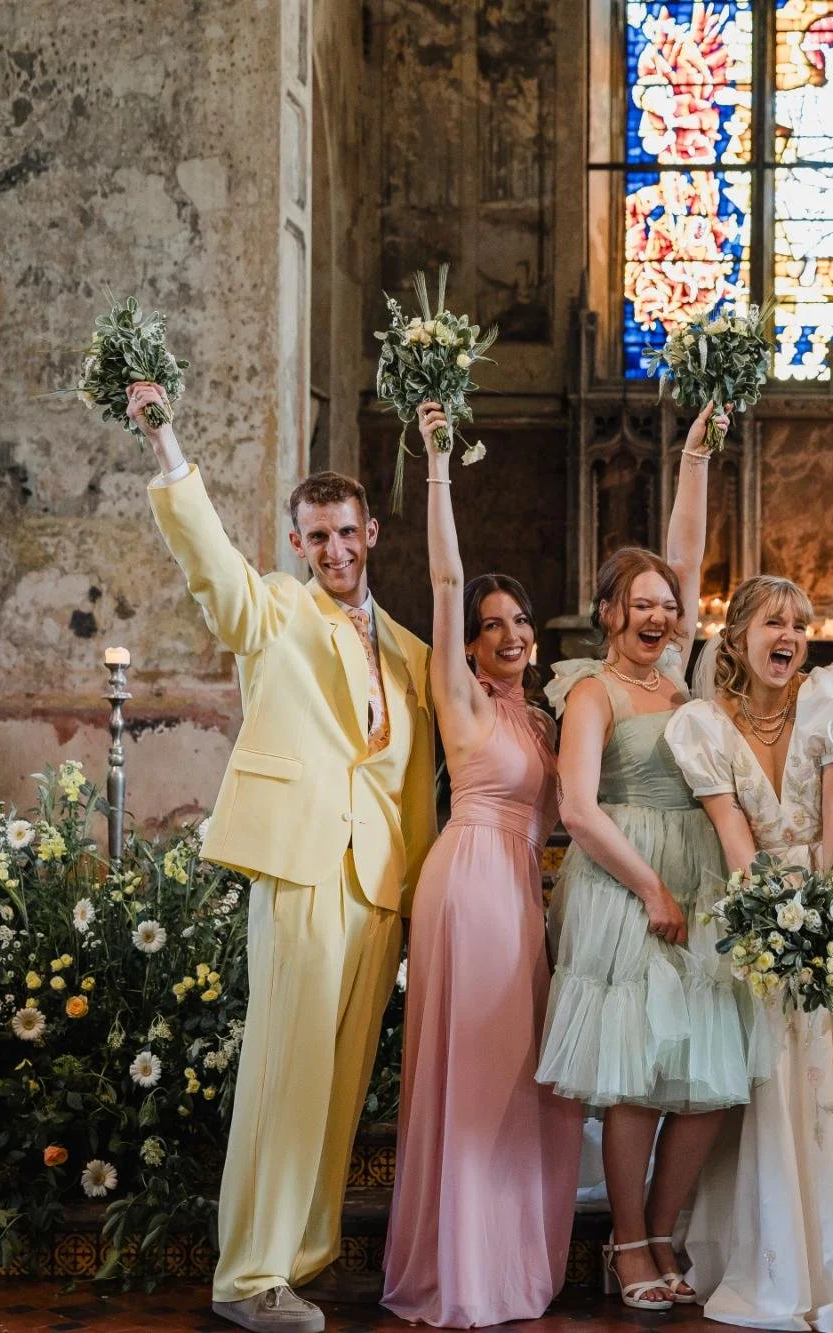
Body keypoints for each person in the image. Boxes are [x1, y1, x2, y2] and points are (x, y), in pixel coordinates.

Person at [129, 381, 438, 1333]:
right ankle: (247, 1273)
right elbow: (213, 570)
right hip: (303, 867)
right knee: (282, 1071)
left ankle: (296, 1261)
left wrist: (421, 895)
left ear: (372, 533)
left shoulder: (416, 654)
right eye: (316, 538)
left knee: (339, 1083)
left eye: (347, 533)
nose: (335, 551)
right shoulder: (274, 615)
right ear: (299, 545)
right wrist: (167, 447)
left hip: (380, 885)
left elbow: (417, 783)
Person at [534, 403, 763, 1313]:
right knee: (635, 1075)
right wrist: (651, 884)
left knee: (706, 1076)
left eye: (670, 608)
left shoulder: (681, 678)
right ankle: (628, 1243)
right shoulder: (591, 691)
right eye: (643, 606)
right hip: (626, 881)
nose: (660, 616)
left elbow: (687, 550)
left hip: (700, 875)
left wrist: (698, 454)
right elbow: (577, 809)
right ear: (609, 612)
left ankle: (665, 1228)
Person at [671, 574, 833, 1333]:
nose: (788, 636)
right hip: (760, 911)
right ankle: (776, 1255)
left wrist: (832, 921)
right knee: (770, 1077)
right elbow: (736, 844)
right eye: (772, 622)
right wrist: (769, 926)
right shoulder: (704, 727)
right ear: (740, 635)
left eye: (799, 624)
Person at [381, 403, 583, 1326]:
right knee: (475, 1068)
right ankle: (462, 1269)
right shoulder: (459, 698)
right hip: (469, 883)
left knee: (516, 1077)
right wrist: (435, 465)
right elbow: (446, 573)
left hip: (521, 892)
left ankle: (507, 1257)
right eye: (492, 623)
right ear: (467, 642)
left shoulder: (539, 719)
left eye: (521, 622)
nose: (510, 634)